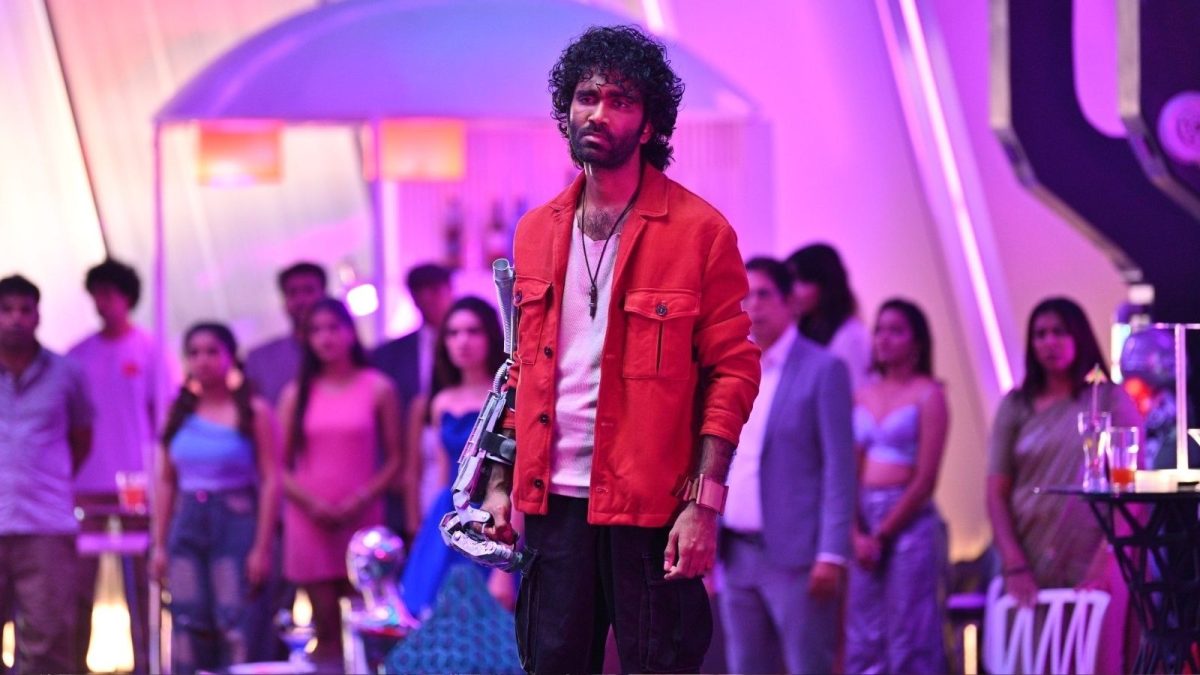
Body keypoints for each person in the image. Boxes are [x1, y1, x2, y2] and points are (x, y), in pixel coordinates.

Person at [474, 26, 761, 673]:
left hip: (652, 507)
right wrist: (498, 485)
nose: (598, 113)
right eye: (586, 97)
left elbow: (733, 372)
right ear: (566, 110)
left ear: (649, 122)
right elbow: (521, 369)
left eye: (620, 100)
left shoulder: (700, 232)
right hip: (554, 504)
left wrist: (703, 504)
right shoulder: (535, 230)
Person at [986, 296, 1140, 673]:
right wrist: (1014, 562)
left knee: (1092, 657)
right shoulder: (1016, 405)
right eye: (1040, 334)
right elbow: (995, 492)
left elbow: (1131, 489)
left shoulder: (1108, 399)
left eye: (1059, 332)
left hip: (1097, 554)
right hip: (1029, 554)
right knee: (1030, 659)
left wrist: (1106, 559)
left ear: (1079, 336)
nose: (1049, 342)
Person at [720, 257, 854, 673]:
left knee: (806, 666)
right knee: (745, 667)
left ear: (790, 302)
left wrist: (831, 552)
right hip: (736, 552)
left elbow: (840, 469)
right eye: (745, 296)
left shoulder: (823, 369)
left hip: (798, 556)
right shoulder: (731, 370)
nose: (753, 306)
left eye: (763, 294)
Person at [279, 298, 404, 668]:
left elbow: (396, 460)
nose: (325, 338)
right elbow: (277, 467)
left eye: (333, 327)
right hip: (310, 520)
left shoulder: (378, 387)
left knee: (366, 627)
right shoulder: (295, 394)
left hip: (362, 523)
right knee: (327, 633)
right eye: (316, 330)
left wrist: (360, 499)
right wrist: (312, 504)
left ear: (350, 332)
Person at [150, 323, 278, 674]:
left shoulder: (253, 411)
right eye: (194, 353)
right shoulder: (178, 413)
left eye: (211, 351)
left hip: (235, 522)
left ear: (230, 356)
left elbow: (271, 480)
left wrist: (262, 548)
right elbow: (166, 482)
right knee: (187, 619)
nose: (202, 360)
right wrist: (159, 544)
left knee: (235, 620)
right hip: (187, 523)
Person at [846, 298, 949, 673]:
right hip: (863, 515)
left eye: (896, 331)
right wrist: (856, 532)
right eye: (879, 330)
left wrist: (883, 534)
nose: (884, 339)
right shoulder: (863, 393)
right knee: (862, 632)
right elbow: (850, 468)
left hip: (908, 519)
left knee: (910, 630)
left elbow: (926, 478)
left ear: (916, 341)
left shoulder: (929, 394)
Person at [68, 258, 161, 673]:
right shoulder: (78, 357)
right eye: (96, 295)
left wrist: (158, 483)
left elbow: (164, 418)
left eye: (110, 294)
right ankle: (74, 665)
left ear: (127, 297)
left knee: (141, 585)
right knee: (78, 587)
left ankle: (146, 664)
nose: (102, 303)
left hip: (136, 489)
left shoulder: (150, 350)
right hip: (85, 488)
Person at [0, 274, 94, 673]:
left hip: (46, 525)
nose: (16, 319)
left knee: (48, 642)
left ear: (38, 316)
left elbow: (81, 439)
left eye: (25, 309)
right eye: (6, 310)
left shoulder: (66, 373)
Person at [400, 296, 512, 618]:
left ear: (491, 335)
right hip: (450, 509)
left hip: (495, 511)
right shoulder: (441, 402)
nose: (462, 341)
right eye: (453, 332)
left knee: (495, 618)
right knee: (437, 612)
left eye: (473, 331)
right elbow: (441, 473)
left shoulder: (508, 396)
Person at [372, 263, 455, 539]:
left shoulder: (471, 343)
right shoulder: (388, 354)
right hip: (410, 465)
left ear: (449, 290)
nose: (427, 298)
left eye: (434, 289)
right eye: (419, 291)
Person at [786, 243, 871, 391]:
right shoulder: (802, 330)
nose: (794, 291)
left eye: (803, 281)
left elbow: (855, 392)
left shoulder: (850, 336)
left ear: (826, 285)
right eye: (790, 282)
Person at [244, 261, 327, 406]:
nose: (301, 300)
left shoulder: (347, 355)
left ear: (325, 295)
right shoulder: (260, 360)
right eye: (292, 293)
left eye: (309, 290)